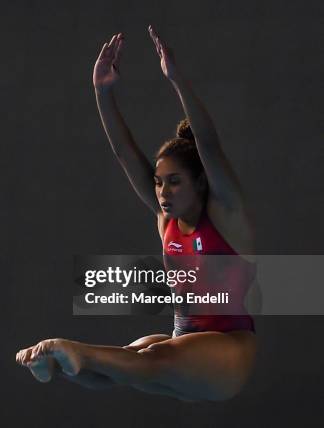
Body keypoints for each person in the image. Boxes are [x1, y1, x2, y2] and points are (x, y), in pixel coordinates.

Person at [15, 26, 257, 402]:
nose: (162, 191)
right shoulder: (167, 221)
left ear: (201, 183)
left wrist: (178, 80)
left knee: (153, 357)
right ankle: (57, 364)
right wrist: (103, 92)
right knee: (124, 362)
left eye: (174, 182)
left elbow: (209, 144)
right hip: (183, 343)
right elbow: (124, 153)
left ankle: (69, 347)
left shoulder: (227, 215)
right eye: (159, 183)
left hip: (227, 351)